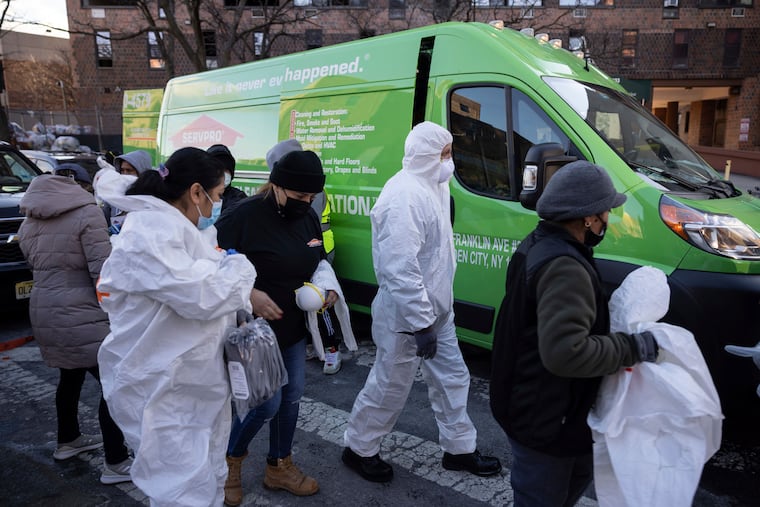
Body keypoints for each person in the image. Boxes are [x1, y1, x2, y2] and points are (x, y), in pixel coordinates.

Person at [489, 160, 660, 507]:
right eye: (606, 212)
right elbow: (566, 352)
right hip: (547, 421)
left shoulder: (539, 244)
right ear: (588, 218)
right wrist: (632, 347)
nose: (608, 219)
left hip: (539, 408)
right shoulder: (565, 267)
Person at [94, 147, 257, 506]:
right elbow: (203, 295)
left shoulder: (180, 228)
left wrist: (226, 272)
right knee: (180, 488)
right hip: (163, 389)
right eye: (215, 197)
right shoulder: (151, 233)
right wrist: (240, 268)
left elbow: (207, 279)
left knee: (206, 473)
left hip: (192, 382)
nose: (216, 207)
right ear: (195, 192)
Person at [342, 121, 501, 483]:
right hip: (406, 317)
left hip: (436, 312)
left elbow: (433, 256)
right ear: (427, 156)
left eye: (450, 152)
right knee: (390, 385)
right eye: (444, 154)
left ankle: (459, 450)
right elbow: (401, 268)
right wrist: (421, 321)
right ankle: (359, 448)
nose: (450, 160)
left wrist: (436, 314)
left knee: (453, 378)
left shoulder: (434, 184)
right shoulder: (404, 196)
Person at [215, 147, 340, 504]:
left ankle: (279, 466)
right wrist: (250, 293)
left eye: (312, 196)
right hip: (253, 331)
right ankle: (229, 462)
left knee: (292, 398)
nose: (307, 202)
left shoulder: (308, 217)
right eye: (300, 195)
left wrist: (326, 287)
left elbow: (317, 258)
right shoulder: (245, 216)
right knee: (264, 404)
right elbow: (211, 261)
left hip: (293, 327)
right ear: (278, 186)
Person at [18, 163, 132, 485]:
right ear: (81, 186)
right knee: (113, 382)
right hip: (84, 311)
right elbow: (103, 273)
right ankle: (116, 461)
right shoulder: (88, 214)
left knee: (69, 378)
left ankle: (68, 440)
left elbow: (33, 263)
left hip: (43, 309)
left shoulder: (31, 218)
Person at [265, 139, 344, 374]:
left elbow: (304, 222)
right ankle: (315, 344)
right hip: (306, 249)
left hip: (318, 250)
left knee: (320, 300)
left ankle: (331, 348)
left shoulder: (308, 190)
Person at [102, 149, 153, 231]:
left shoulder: (153, 199)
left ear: (142, 172)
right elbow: (102, 222)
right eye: (122, 170)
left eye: (129, 170)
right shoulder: (113, 196)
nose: (124, 174)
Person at [207, 143, 247, 212]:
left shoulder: (240, 198)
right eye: (218, 170)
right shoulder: (200, 196)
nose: (222, 175)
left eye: (226, 170)